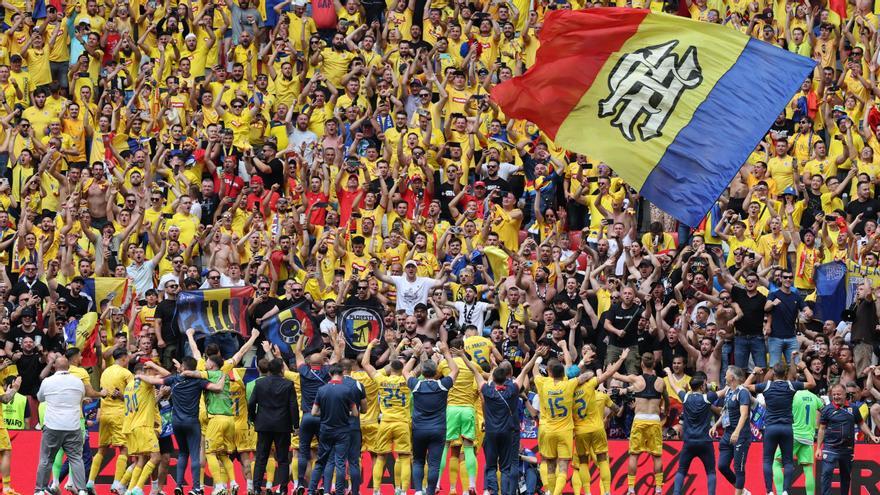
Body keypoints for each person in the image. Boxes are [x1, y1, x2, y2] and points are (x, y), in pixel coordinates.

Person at [137, 357, 226, 495]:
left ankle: (178, 486)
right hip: (192, 423)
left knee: (183, 453)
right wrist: (223, 376)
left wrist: (139, 376)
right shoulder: (199, 381)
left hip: (177, 423)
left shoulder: (174, 379)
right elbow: (218, 388)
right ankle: (196, 488)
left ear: (183, 368)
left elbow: (153, 381)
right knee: (194, 455)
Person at [747, 359, 815, 495]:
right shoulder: (791, 385)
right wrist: (804, 368)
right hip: (787, 428)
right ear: (785, 374)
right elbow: (812, 383)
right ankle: (785, 491)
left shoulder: (766, 386)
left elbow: (745, 386)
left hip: (771, 428)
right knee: (788, 461)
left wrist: (754, 372)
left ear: (773, 373)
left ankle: (769, 491)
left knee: (768, 460)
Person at [614, 352, 667, 495]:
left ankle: (631, 489)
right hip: (654, 420)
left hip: (639, 419)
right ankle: (658, 489)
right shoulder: (661, 382)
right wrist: (666, 412)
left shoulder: (635, 379)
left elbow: (615, 375)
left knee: (634, 455)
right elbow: (666, 400)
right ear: (654, 364)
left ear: (641, 364)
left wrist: (621, 359)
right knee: (657, 456)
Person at [408, 342, 457, 495]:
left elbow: (404, 371)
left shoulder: (416, 385)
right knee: (434, 464)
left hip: (419, 429)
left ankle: (418, 491)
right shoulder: (443, 385)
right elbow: (455, 370)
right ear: (436, 371)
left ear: (422, 372)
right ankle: (430, 492)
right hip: (438, 430)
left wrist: (415, 355)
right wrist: (446, 352)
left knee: (418, 461)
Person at [34, 357, 85, 495]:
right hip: (73, 426)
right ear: (68, 367)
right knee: (76, 459)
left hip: (52, 426)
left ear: (54, 367)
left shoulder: (47, 381)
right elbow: (80, 399)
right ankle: (82, 490)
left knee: (46, 459)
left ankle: (40, 490)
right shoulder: (78, 382)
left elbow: (40, 398)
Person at [816, 383, 879, 495]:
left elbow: (861, 423)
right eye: (834, 394)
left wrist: (871, 435)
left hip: (847, 449)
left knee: (845, 477)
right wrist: (818, 448)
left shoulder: (853, 408)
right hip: (830, 448)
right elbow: (822, 429)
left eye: (839, 394)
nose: (836, 397)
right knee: (826, 474)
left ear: (845, 394)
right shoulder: (827, 409)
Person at [249, 357, 300, 494]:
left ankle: (256, 488)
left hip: (263, 425)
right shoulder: (288, 384)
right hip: (282, 426)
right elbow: (293, 406)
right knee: (283, 459)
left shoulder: (260, 383)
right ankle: (283, 489)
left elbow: (251, 403)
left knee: (261, 458)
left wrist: (253, 418)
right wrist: (296, 425)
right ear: (282, 369)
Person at [664, 370, 717, 495]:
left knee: (681, 470)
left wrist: (669, 372)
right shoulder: (708, 398)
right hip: (705, 442)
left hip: (689, 442)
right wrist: (713, 386)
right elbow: (725, 390)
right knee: (711, 472)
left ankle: (676, 493)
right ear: (702, 386)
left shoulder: (685, 397)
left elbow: (673, 385)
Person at [772, 379, 824, 495]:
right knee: (808, 470)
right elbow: (824, 411)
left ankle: (780, 493)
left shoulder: (793, 396)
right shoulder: (814, 397)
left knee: (776, 463)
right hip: (808, 437)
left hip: (793, 436)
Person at [713, 366, 753, 495]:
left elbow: (744, 414)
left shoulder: (743, 392)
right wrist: (716, 425)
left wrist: (737, 432)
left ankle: (738, 492)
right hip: (727, 434)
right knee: (722, 466)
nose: (724, 376)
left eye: (726, 374)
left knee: (738, 468)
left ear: (732, 377)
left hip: (740, 435)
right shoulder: (729, 391)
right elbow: (725, 412)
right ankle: (743, 491)